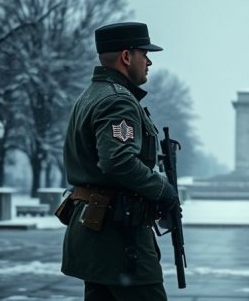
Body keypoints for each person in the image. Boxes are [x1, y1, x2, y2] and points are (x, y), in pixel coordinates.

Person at [61, 22, 178, 301]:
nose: (148, 61)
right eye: (144, 53)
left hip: (97, 228)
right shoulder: (118, 102)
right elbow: (118, 160)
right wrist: (162, 190)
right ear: (126, 57)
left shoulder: (91, 95)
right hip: (119, 234)